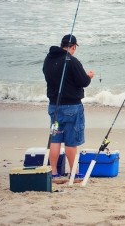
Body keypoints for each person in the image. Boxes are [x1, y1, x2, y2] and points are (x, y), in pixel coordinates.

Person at [43, 34, 94, 178]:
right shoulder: (71, 61)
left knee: (56, 139)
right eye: (75, 48)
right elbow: (83, 81)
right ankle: (74, 173)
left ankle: (53, 172)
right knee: (71, 142)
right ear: (73, 47)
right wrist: (89, 76)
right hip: (72, 107)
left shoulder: (48, 59)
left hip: (54, 107)